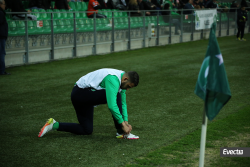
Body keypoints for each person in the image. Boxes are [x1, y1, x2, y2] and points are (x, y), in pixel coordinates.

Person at [38, 68, 140, 139]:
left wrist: (126, 121)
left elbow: (123, 102)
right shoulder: (113, 79)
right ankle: (121, 132)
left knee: (86, 130)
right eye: (128, 86)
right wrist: (122, 125)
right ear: (125, 79)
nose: (127, 89)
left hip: (84, 96)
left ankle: (53, 125)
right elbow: (112, 105)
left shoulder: (122, 78)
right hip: (80, 93)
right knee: (115, 97)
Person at [0, 0, 10, 75]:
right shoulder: (0, 13)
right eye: (4, 4)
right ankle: (1, 70)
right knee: (1, 53)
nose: (5, 5)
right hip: (1, 36)